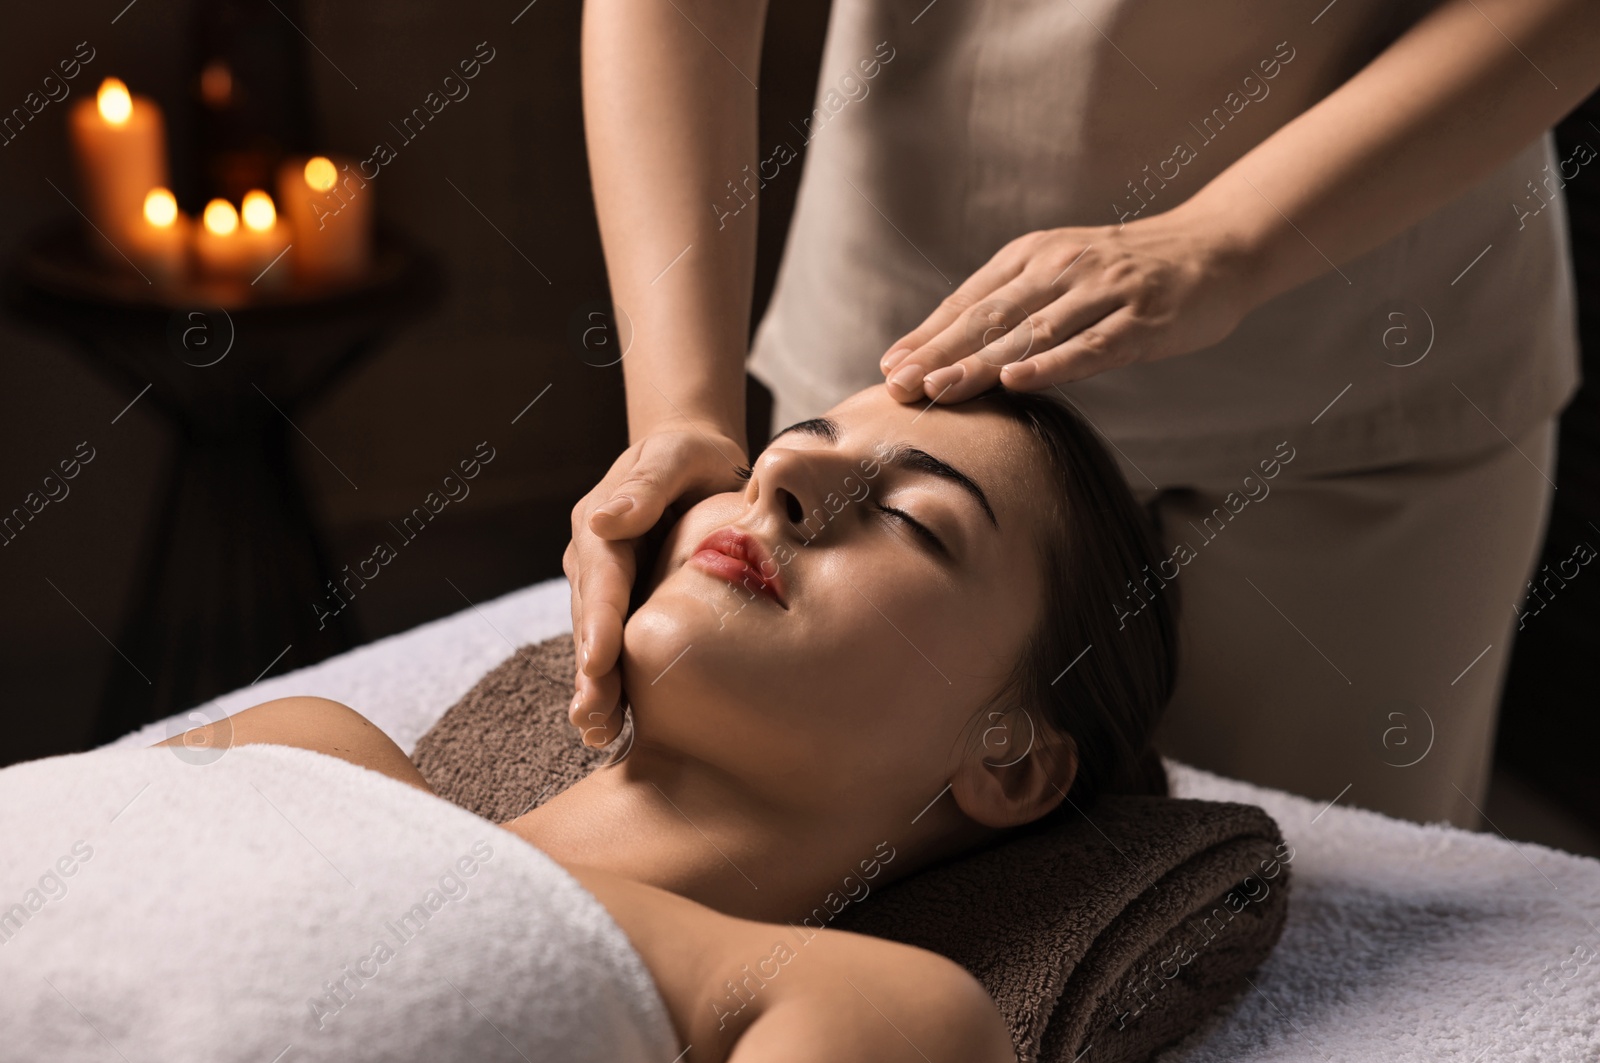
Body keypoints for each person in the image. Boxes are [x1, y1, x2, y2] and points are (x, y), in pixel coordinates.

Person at [569, 0, 1600, 827]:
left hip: (1361, 349)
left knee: (1335, 938)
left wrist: (1223, 240)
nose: (782, 483)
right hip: (897, 328)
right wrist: (679, 413)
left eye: (925, 523)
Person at [149, 384, 1178, 1063]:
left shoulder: (873, 1017)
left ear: (1009, 758)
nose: (779, 477)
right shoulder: (299, 749)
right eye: (781, 450)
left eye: (909, 517)